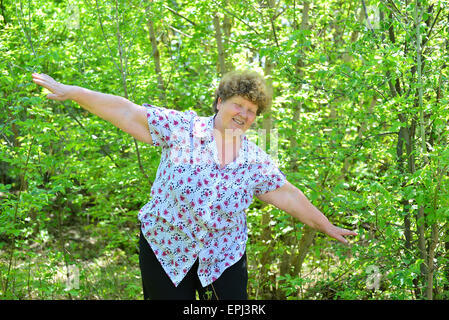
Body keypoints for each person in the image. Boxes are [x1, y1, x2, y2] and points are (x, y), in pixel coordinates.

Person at [32, 70, 357, 300]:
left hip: (222, 256)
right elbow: (128, 113)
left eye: (252, 110)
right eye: (238, 104)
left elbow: (288, 194)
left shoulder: (255, 160)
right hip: (165, 246)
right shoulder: (181, 129)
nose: (243, 114)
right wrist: (72, 92)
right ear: (219, 101)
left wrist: (327, 226)